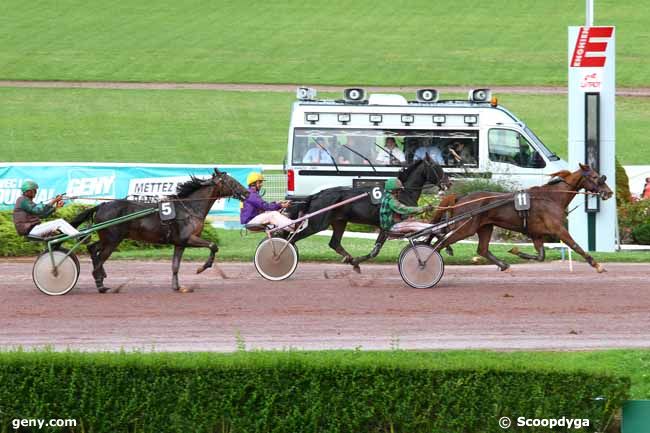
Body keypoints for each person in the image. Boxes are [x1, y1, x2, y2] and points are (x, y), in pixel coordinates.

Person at [13, 180, 80, 237]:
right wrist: (54, 200)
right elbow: (38, 210)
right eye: (35, 191)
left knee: (59, 228)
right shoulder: (22, 200)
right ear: (29, 191)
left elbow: (42, 215)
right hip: (30, 230)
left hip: (32, 229)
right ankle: (79, 237)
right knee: (60, 222)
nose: (36, 193)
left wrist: (56, 207)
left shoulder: (27, 201)